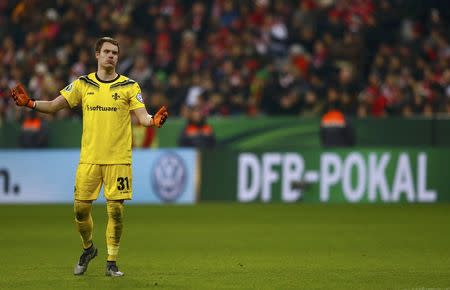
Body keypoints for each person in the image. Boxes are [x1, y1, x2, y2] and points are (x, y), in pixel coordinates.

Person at [10, 37, 168, 277]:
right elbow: (54, 106)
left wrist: (153, 121)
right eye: (106, 52)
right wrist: (30, 103)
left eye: (115, 53)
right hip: (89, 159)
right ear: (97, 55)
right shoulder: (83, 84)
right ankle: (88, 249)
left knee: (116, 210)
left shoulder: (129, 86)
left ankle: (112, 262)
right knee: (80, 211)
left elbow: (143, 117)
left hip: (118, 159)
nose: (111, 56)